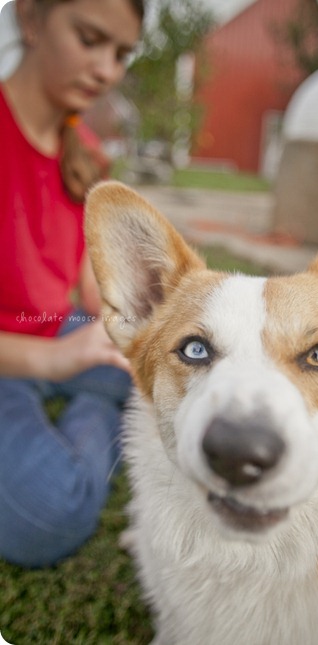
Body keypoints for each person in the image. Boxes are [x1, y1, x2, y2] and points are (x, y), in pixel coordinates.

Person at [0, 0, 144, 567]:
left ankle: (96, 401)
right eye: (90, 40)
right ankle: (100, 414)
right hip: (20, 355)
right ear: (32, 20)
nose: (107, 70)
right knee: (48, 515)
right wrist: (57, 362)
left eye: (121, 54)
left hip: (52, 330)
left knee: (184, 363)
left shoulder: (84, 156)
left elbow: (94, 295)